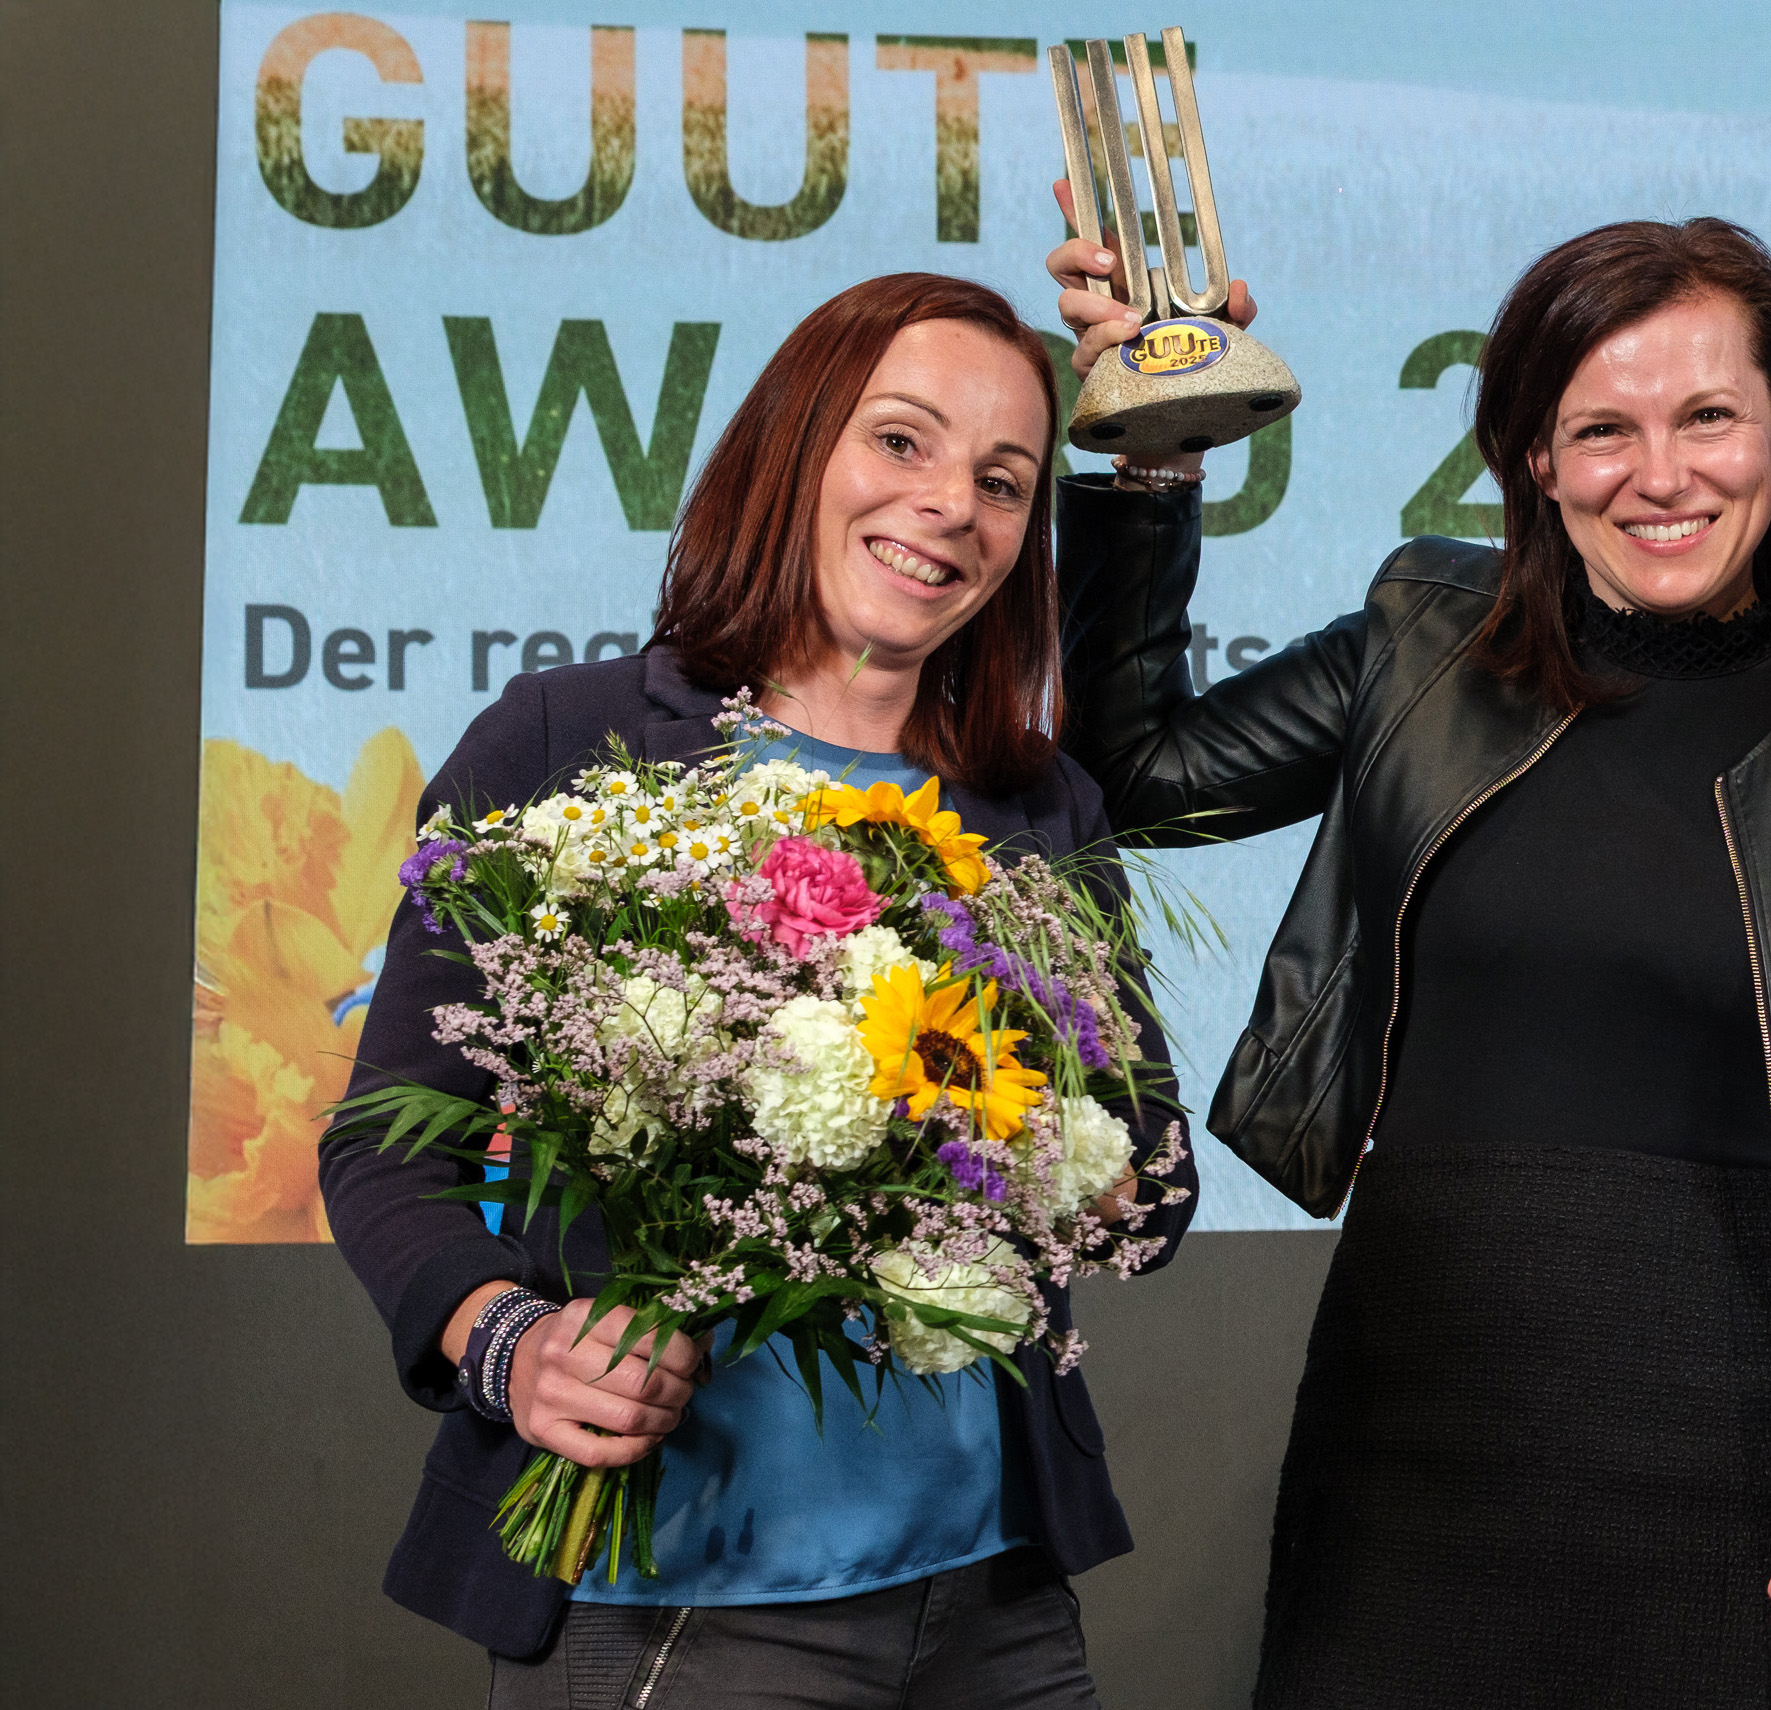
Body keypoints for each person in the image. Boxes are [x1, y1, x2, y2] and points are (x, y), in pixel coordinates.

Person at [1047, 214, 1771, 1706]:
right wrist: (1157, 451)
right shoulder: (1424, 638)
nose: (1661, 474)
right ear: (1538, 460)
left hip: (1750, 1459)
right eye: (1603, 429)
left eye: (1708, 418)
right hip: (1412, 1435)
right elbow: (1139, 775)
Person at [321, 273, 1196, 1709]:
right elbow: (384, 1145)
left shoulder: (1039, 809)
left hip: (993, 1602)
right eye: (901, 441)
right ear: (793, 449)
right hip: (667, 1597)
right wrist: (510, 1345)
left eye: (1002, 481)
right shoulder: (564, 740)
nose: (949, 506)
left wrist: (1052, 1152)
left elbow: (1151, 1188)